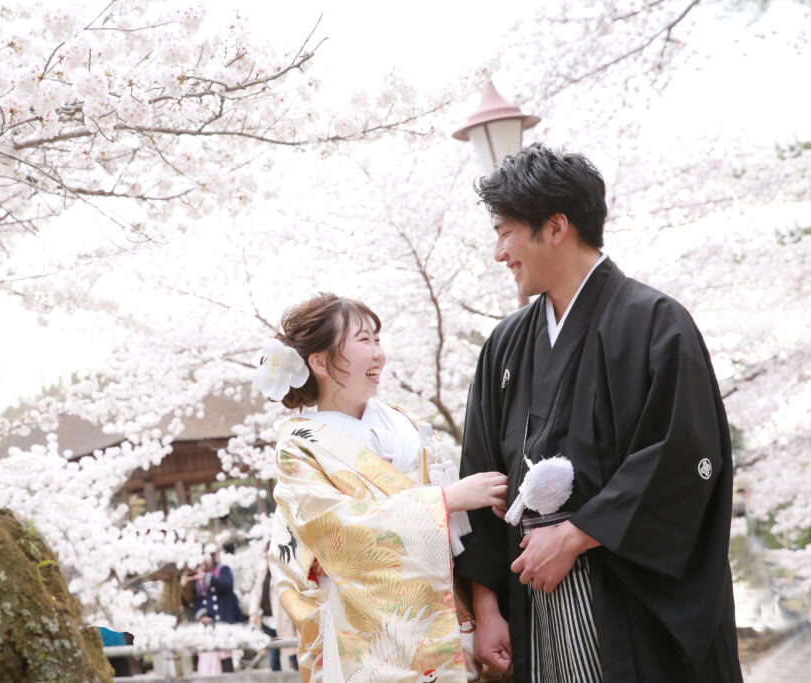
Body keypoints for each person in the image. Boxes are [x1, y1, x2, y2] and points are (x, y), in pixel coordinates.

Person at [456, 143, 742, 682]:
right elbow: (482, 477)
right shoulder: (505, 345)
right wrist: (487, 606)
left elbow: (684, 458)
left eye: (505, 232)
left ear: (557, 226)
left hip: (626, 604)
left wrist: (574, 535)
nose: (499, 253)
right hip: (531, 602)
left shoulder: (656, 323)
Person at [261, 293, 508, 682]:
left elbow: (461, 526)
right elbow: (336, 529)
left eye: (378, 339)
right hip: (366, 634)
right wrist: (444, 501)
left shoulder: (407, 422)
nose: (379, 354)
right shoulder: (300, 445)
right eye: (364, 340)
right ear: (320, 362)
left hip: (446, 615)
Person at [183, 550, 244, 673]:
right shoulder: (199, 578)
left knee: (226, 654)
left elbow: (227, 585)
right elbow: (198, 599)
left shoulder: (223, 570)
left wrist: (207, 578)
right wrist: (203, 614)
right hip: (209, 624)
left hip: (225, 618)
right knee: (211, 655)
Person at [246, 551, 298, 672]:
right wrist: (253, 612)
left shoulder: (284, 569)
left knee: (292, 652)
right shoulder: (263, 570)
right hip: (267, 619)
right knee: (273, 656)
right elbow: (257, 591)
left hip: (282, 618)